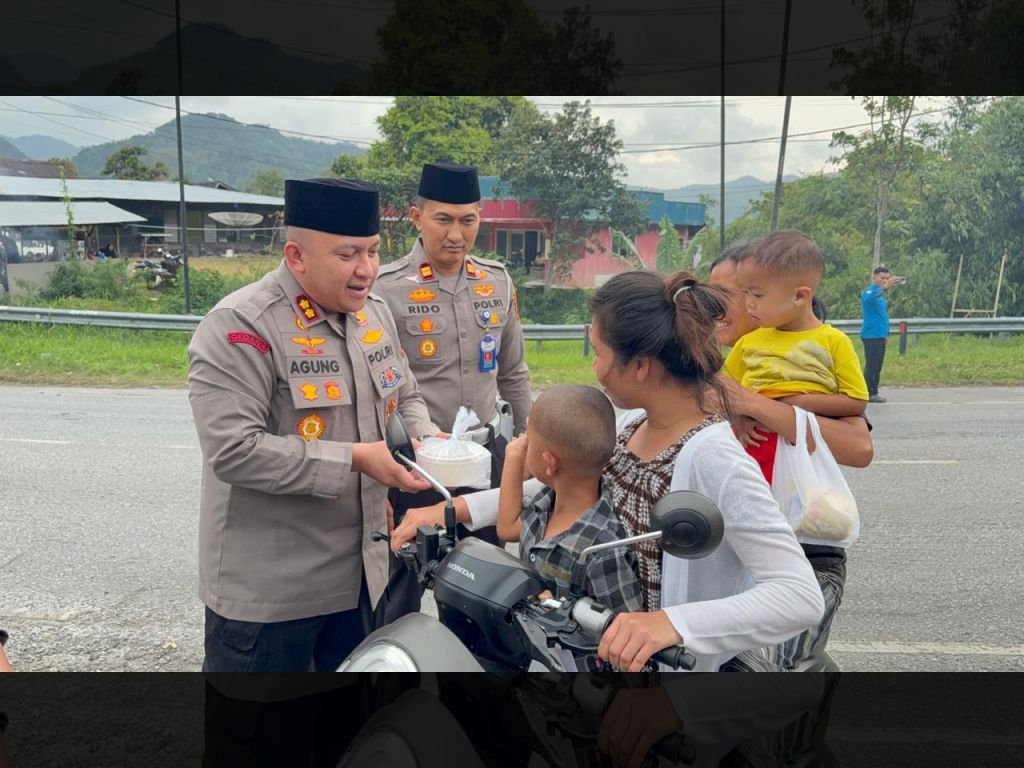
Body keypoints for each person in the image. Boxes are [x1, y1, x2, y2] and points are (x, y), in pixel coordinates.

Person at [392, 269, 825, 672]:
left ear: (640, 367)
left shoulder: (714, 458)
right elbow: (560, 485)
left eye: (600, 353)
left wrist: (669, 624)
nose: (595, 368)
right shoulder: (629, 424)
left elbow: (799, 595)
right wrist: (455, 510)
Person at [187, 177, 437, 673]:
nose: (367, 270)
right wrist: (356, 459)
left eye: (372, 251)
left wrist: (423, 438)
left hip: (363, 578)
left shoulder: (375, 315)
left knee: (346, 737)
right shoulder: (242, 325)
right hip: (273, 596)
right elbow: (235, 450)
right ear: (296, 256)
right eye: (347, 256)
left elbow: (404, 393)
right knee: (259, 743)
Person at [372, 162, 532, 620]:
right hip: (414, 467)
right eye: (443, 219)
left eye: (469, 219)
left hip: (485, 462)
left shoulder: (496, 281)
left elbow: (514, 373)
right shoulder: (385, 288)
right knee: (397, 592)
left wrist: (530, 445)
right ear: (416, 217)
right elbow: (380, 390)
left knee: (485, 591)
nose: (457, 234)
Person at [709, 241, 873, 672]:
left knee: (782, 672)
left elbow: (859, 446)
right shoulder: (738, 360)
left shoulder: (820, 353)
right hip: (734, 545)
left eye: (740, 295)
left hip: (802, 545)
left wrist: (766, 405)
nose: (723, 308)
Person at [496, 384, 643, 671]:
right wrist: (514, 458)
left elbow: (627, 630)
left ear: (549, 463)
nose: (524, 443)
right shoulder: (546, 502)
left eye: (530, 439)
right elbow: (508, 526)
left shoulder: (602, 548)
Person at [861, 265, 903, 403]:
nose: (884, 280)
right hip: (871, 334)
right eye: (882, 278)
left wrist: (886, 334)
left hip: (880, 334)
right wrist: (885, 287)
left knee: (878, 365)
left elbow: (883, 316)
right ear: (874, 277)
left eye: (887, 278)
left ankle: (874, 391)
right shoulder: (869, 292)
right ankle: (868, 392)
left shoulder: (881, 297)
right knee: (871, 365)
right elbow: (869, 299)